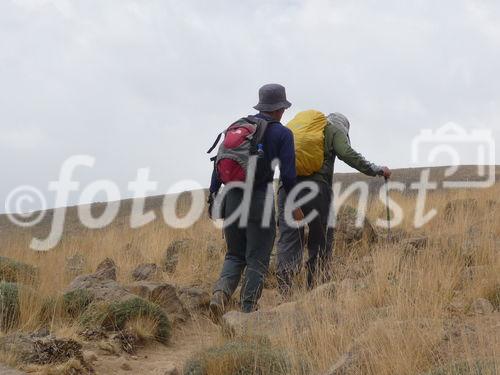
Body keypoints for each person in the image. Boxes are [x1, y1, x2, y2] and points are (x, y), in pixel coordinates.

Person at [208, 83, 303, 320]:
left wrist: (213, 196)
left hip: (231, 197)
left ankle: (220, 295)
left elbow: (218, 164)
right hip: (258, 199)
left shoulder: (239, 127)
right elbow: (289, 176)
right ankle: (248, 310)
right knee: (257, 258)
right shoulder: (282, 133)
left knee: (234, 255)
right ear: (280, 108)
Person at [276, 112, 391, 294]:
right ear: (344, 128)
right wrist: (376, 169)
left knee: (289, 239)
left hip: (286, 188)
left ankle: (285, 291)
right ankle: (316, 289)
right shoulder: (334, 130)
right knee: (320, 238)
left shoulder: (302, 129)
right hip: (316, 191)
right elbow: (346, 153)